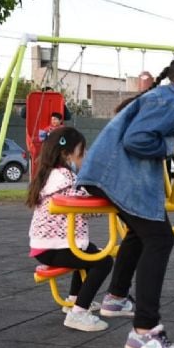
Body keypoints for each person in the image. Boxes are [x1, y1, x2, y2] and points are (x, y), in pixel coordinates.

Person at [76, 47, 174, 348]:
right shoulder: (172, 101)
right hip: (117, 177)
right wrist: (172, 143)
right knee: (160, 238)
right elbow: (137, 140)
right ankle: (144, 330)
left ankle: (116, 297)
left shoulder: (166, 98)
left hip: (112, 176)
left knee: (141, 233)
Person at [26, 126, 113, 332]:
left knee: (89, 252)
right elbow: (87, 205)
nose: (85, 158)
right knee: (103, 262)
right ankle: (78, 313)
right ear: (67, 156)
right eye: (82, 153)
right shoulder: (66, 178)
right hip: (53, 248)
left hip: (46, 246)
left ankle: (76, 298)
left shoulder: (50, 175)